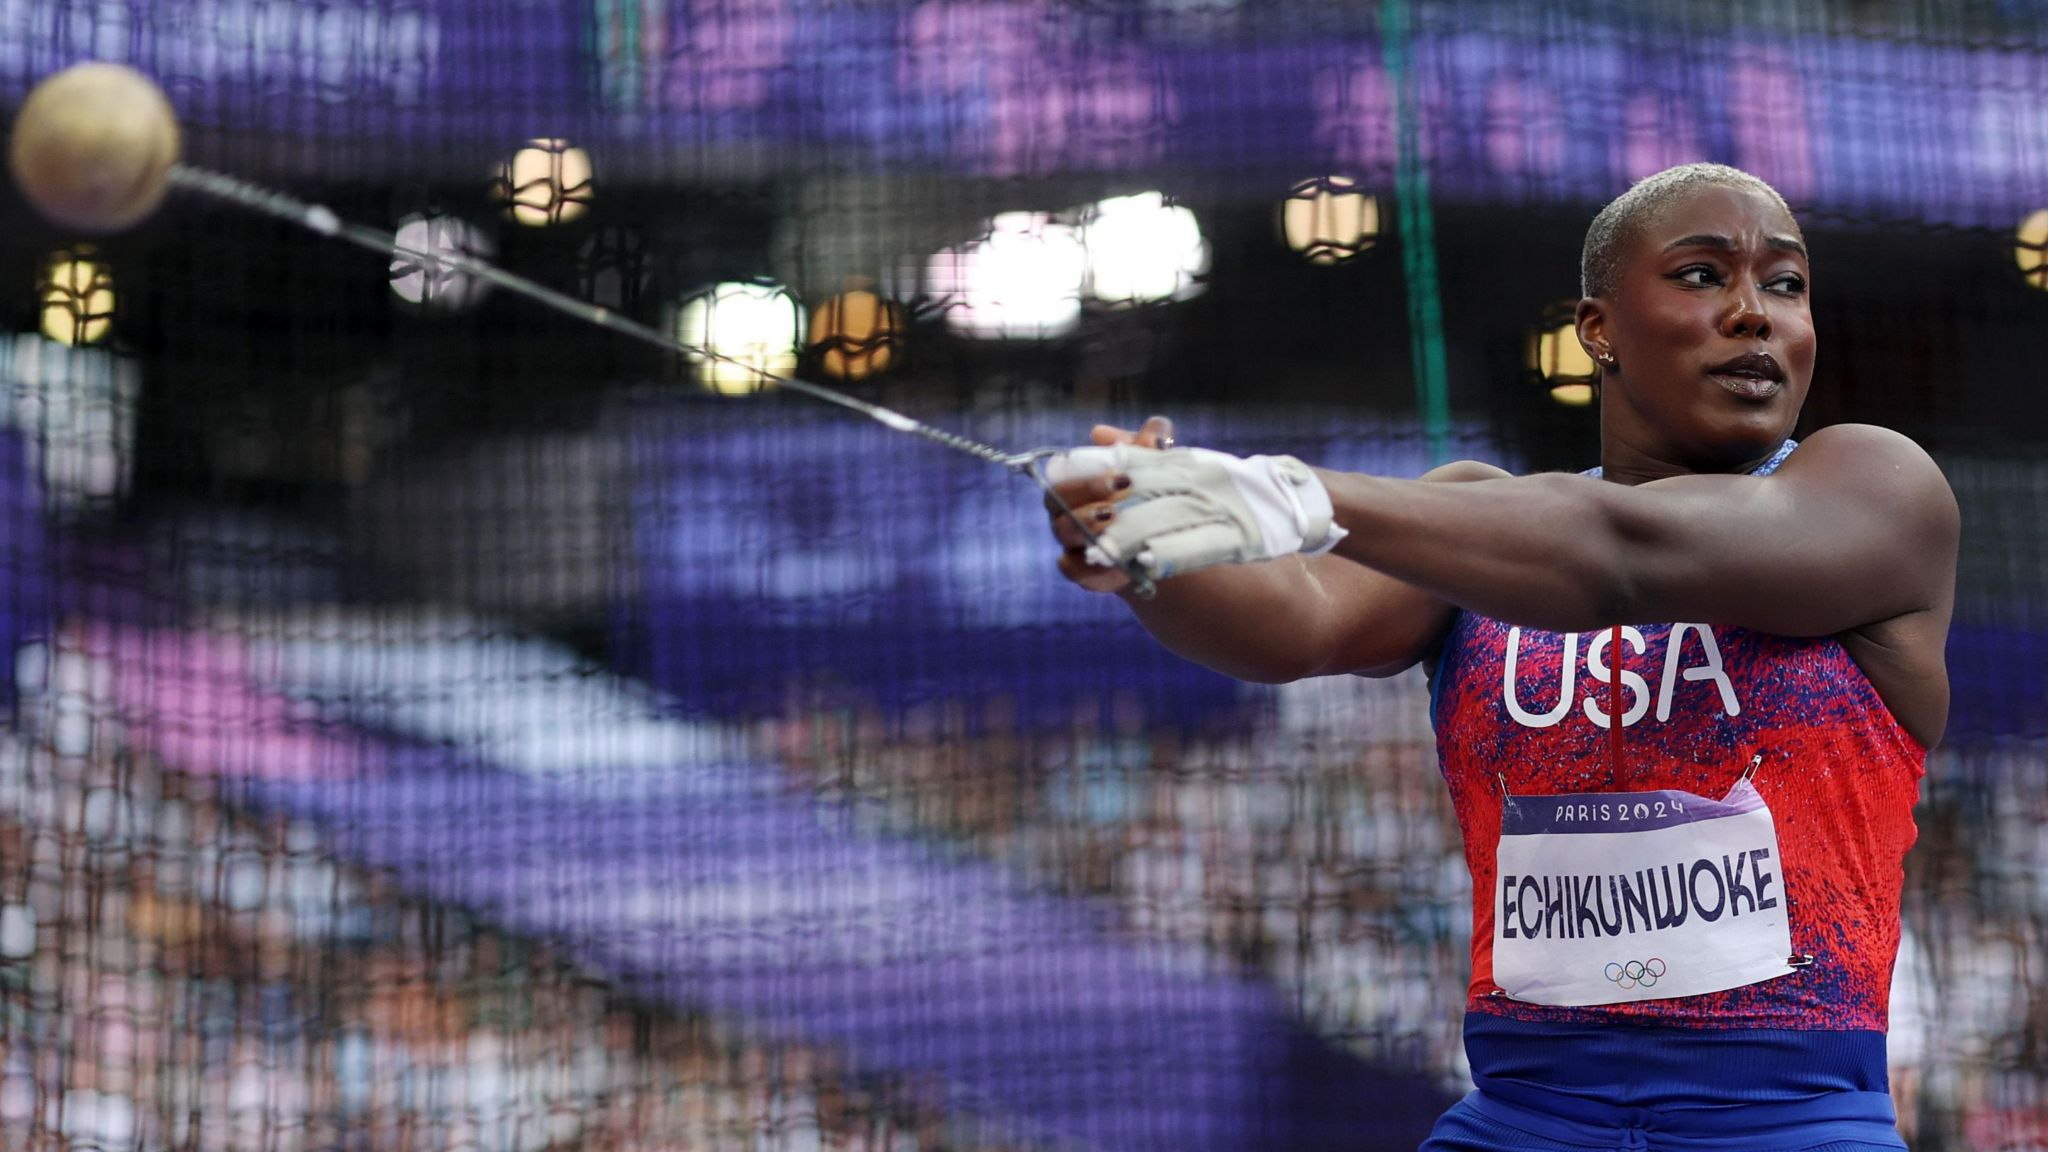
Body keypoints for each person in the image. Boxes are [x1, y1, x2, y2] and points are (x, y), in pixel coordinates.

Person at [1043, 163, 1957, 1152]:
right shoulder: (1476, 521)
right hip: (1521, 1119)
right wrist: (1141, 544)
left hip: (1789, 1123)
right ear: (1596, 328)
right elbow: (1294, 619)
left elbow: (1617, 555)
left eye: (1783, 284)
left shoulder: (1875, 491)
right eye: (1700, 275)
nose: (1753, 315)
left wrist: (1296, 496)